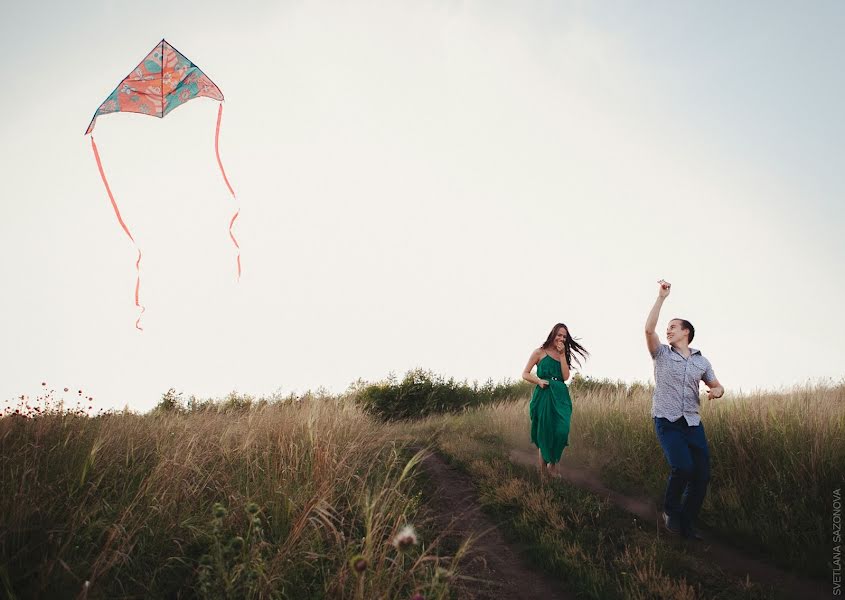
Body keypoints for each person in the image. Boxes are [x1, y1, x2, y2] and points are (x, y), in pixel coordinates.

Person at [645, 279, 724, 540]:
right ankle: (670, 511)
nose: (668, 331)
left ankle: (687, 523)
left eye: (673, 328)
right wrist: (661, 298)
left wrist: (716, 391)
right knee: (682, 467)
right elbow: (648, 329)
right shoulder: (662, 354)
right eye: (667, 328)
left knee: (701, 476)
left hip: (692, 423)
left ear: (686, 332)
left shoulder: (702, 361)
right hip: (667, 421)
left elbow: (718, 386)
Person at [522, 323, 589, 478]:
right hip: (544, 393)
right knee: (545, 432)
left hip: (560, 394)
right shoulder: (539, 352)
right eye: (559, 335)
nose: (561, 338)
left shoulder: (563, 354)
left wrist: (562, 355)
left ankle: (553, 463)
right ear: (553, 334)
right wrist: (538, 381)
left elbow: (565, 377)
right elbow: (525, 373)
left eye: (564, 336)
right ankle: (544, 473)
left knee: (561, 430)